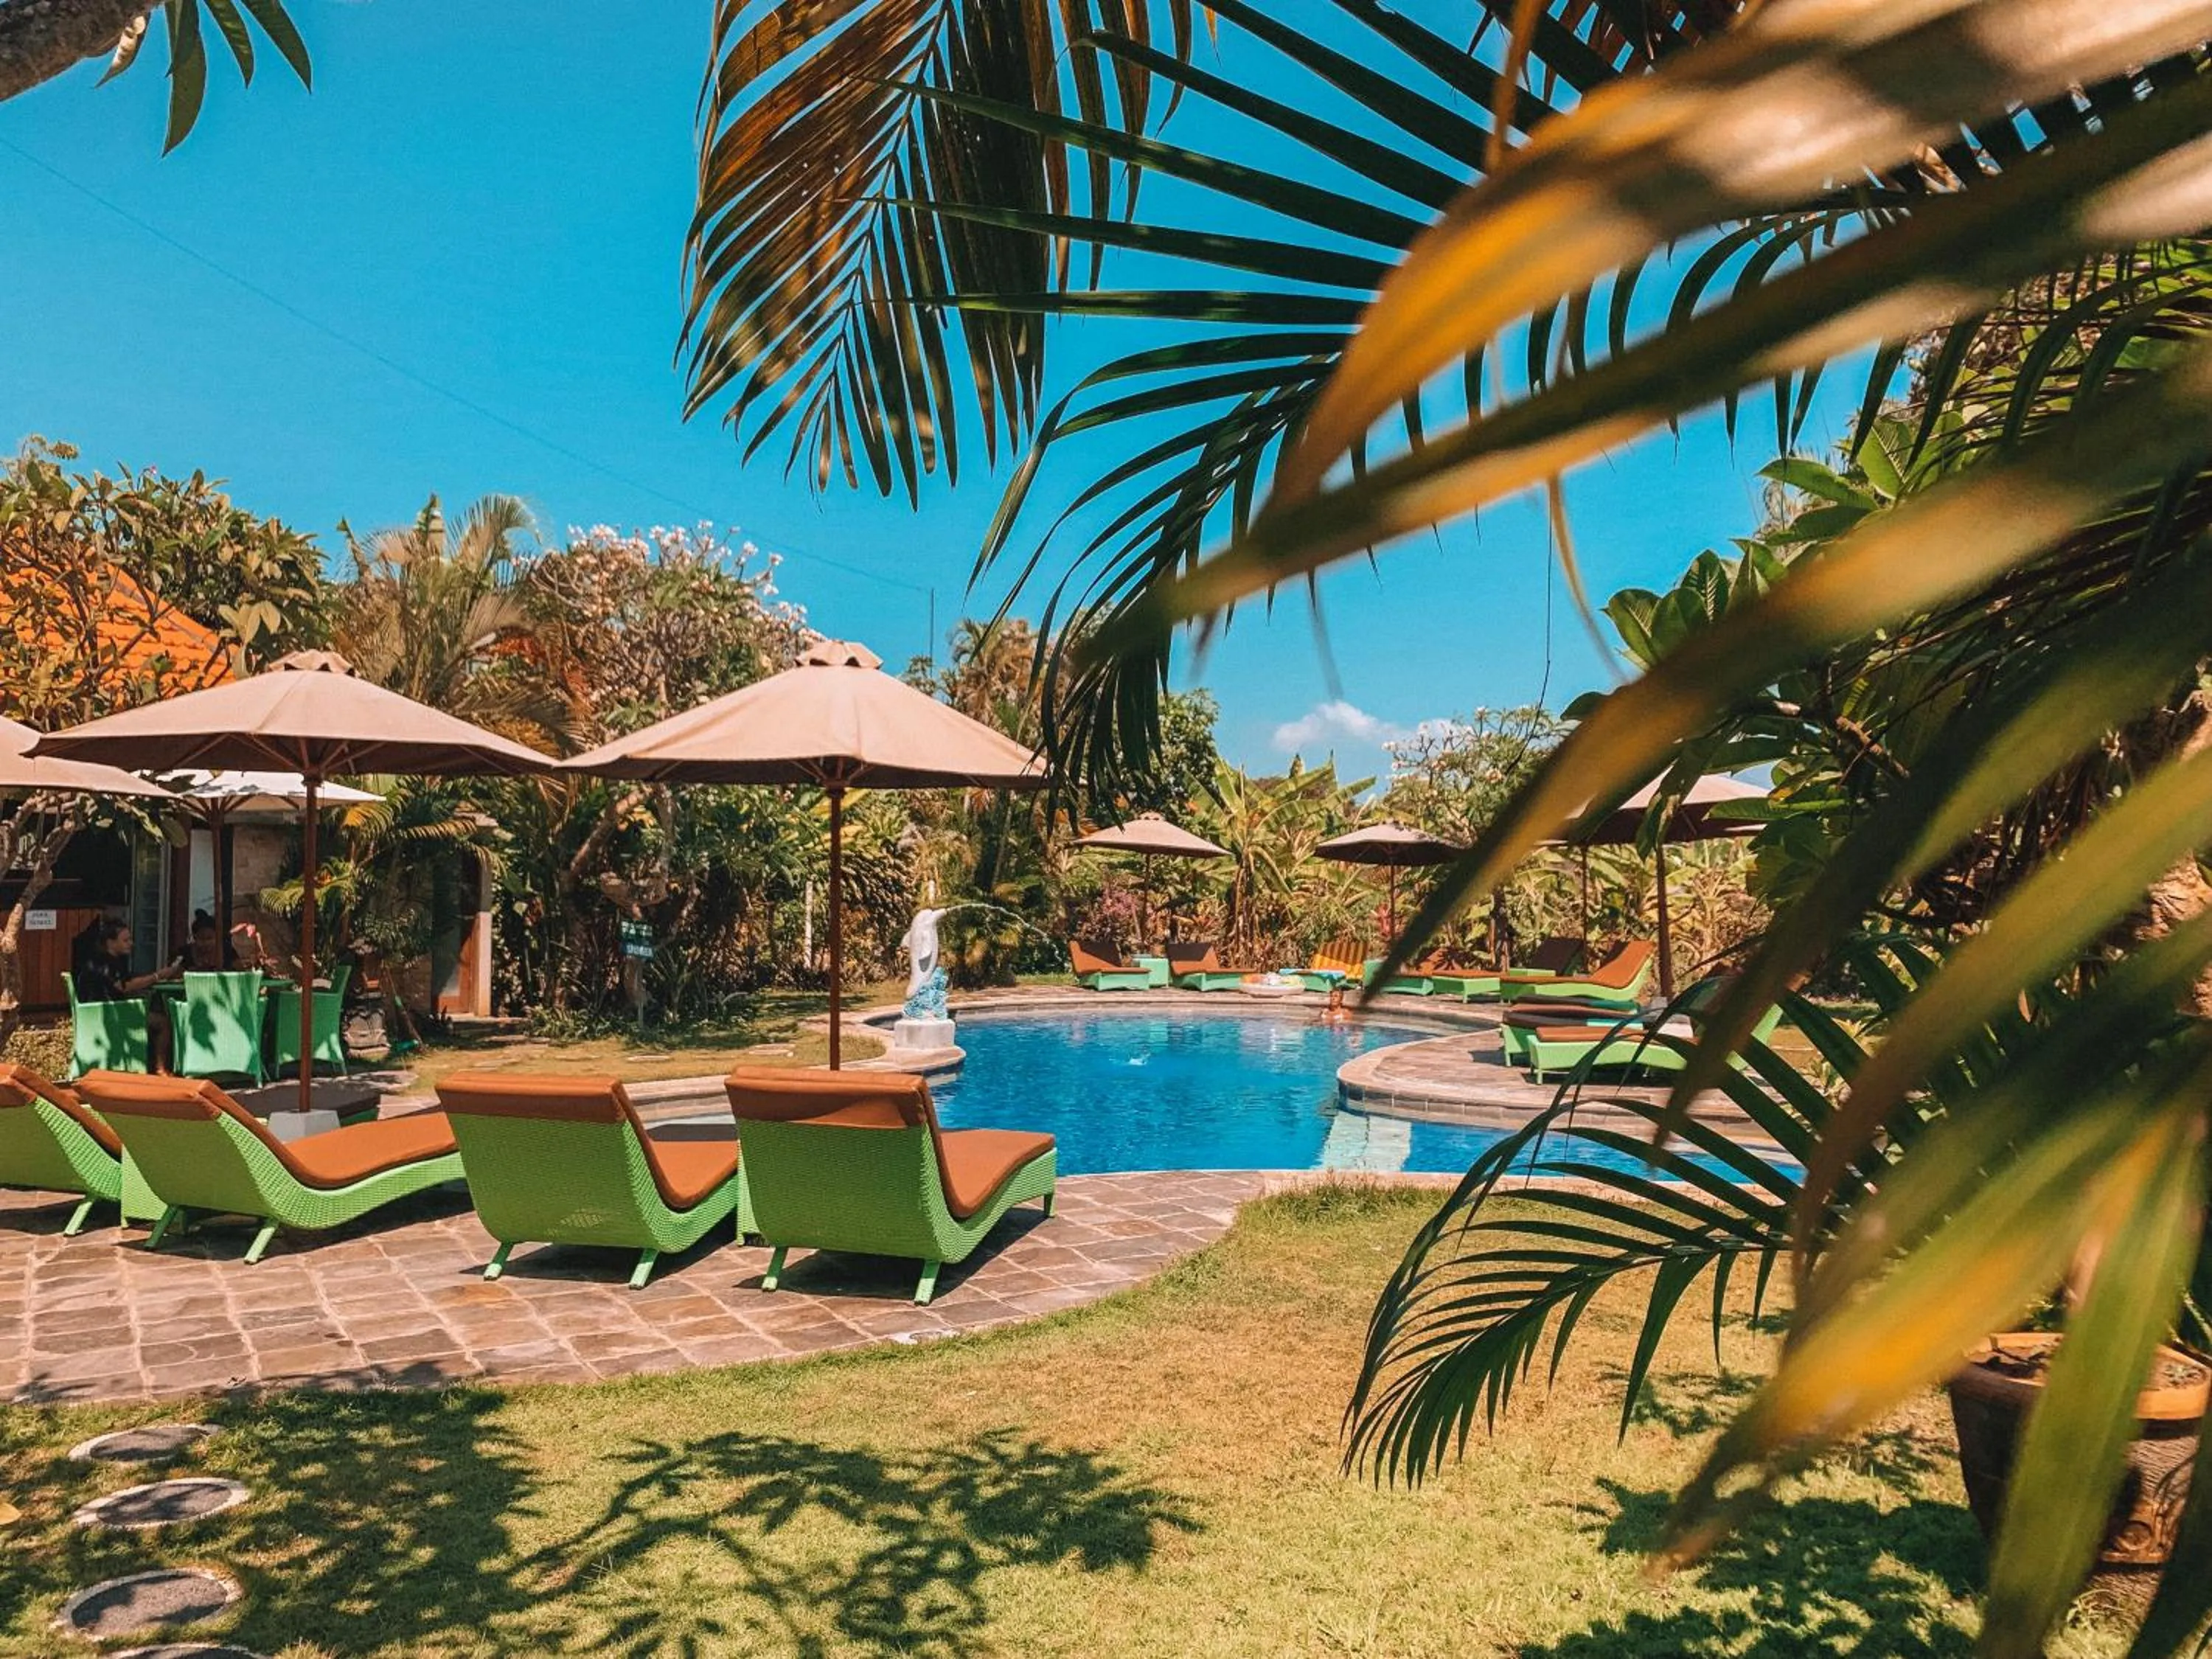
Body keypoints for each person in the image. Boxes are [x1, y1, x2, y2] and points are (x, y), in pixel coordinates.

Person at [73, 917, 176, 1070]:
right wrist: (157, 976)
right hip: (112, 1013)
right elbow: (124, 987)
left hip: (92, 1012)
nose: (131, 944)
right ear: (110, 942)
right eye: (126, 940)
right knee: (163, 1023)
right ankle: (160, 1068)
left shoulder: (96, 960)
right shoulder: (108, 963)